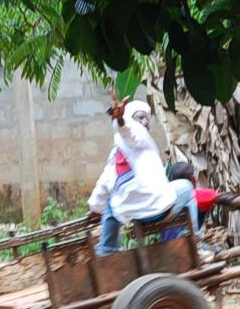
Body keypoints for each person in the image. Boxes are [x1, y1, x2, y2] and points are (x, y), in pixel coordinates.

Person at [87, 95, 213, 262]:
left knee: (112, 202)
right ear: (130, 119)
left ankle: (106, 251)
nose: (144, 122)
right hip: (155, 209)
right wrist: (121, 120)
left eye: (146, 118)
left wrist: (94, 208)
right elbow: (128, 131)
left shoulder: (115, 155)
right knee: (186, 187)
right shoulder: (139, 135)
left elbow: (103, 185)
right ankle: (193, 242)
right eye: (140, 117)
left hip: (132, 215)